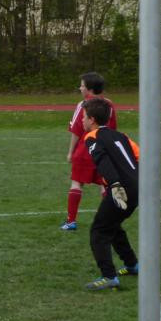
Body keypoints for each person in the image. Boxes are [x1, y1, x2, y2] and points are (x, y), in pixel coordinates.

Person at [81, 98, 139, 291]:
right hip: (138, 186)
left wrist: (114, 184)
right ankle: (132, 264)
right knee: (113, 225)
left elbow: (102, 160)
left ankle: (109, 276)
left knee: (99, 230)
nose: (82, 121)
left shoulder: (92, 136)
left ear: (92, 119)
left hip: (121, 188)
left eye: (83, 117)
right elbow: (139, 156)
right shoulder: (120, 135)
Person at [61, 72, 117, 231]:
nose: (80, 88)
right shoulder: (109, 104)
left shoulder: (83, 105)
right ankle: (109, 222)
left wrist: (70, 152)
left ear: (90, 89)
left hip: (85, 150)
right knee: (104, 185)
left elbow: (76, 129)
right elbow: (113, 128)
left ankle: (71, 221)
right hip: (104, 150)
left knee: (77, 183)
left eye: (82, 85)